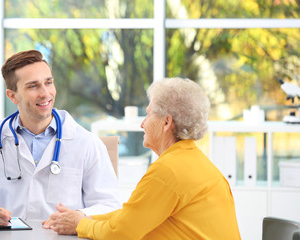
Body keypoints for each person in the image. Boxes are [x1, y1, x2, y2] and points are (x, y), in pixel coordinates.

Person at [42, 77, 241, 239]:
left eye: (148, 115)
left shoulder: (167, 171)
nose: (142, 124)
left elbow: (120, 234)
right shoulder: (196, 162)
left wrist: (80, 224)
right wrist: (83, 216)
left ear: (166, 122)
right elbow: (131, 217)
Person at [0, 50, 121, 226]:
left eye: (48, 82)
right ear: (12, 96)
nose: (45, 93)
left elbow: (110, 205)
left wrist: (79, 216)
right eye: (33, 86)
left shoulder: (87, 142)